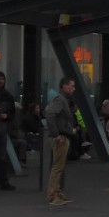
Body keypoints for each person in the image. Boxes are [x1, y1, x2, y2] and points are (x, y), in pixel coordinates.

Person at [44, 77, 77, 205]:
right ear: (64, 86)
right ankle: (52, 194)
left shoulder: (62, 99)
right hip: (61, 137)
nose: (73, 88)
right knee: (58, 167)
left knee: (59, 166)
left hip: (62, 135)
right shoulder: (60, 99)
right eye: (71, 86)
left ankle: (56, 192)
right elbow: (50, 114)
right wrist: (56, 134)